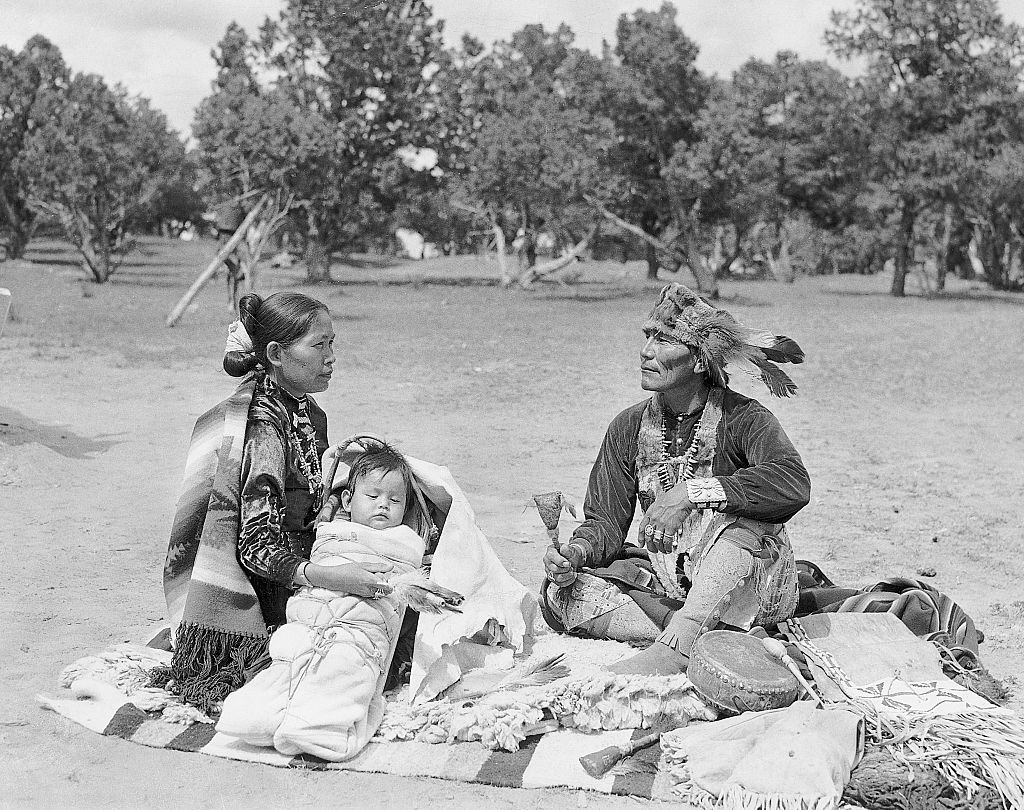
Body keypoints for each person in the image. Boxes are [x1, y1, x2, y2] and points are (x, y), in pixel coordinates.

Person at [539, 282, 811, 676]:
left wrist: (693, 493)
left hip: (751, 587)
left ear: (700, 361)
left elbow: (792, 482)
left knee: (749, 522)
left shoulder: (744, 419)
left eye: (664, 339)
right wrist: (574, 554)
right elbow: (605, 524)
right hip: (677, 592)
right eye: (647, 336)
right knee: (561, 596)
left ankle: (681, 645)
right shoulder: (628, 426)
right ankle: (700, 633)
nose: (645, 351)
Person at [156, 291, 393, 712]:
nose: (331, 357)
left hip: (306, 559)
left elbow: (305, 499)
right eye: (319, 346)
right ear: (276, 353)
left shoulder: (307, 412)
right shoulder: (264, 429)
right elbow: (255, 547)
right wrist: (335, 578)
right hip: (265, 592)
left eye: (332, 344)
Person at [216, 440, 459, 760]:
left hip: (357, 626)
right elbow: (323, 561)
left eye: (395, 500)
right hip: (313, 615)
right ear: (347, 499)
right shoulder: (333, 532)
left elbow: (400, 584)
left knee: (346, 667)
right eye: (372, 496)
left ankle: (319, 727)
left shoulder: (404, 543)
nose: (383, 505)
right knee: (288, 656)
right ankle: (260, 716)